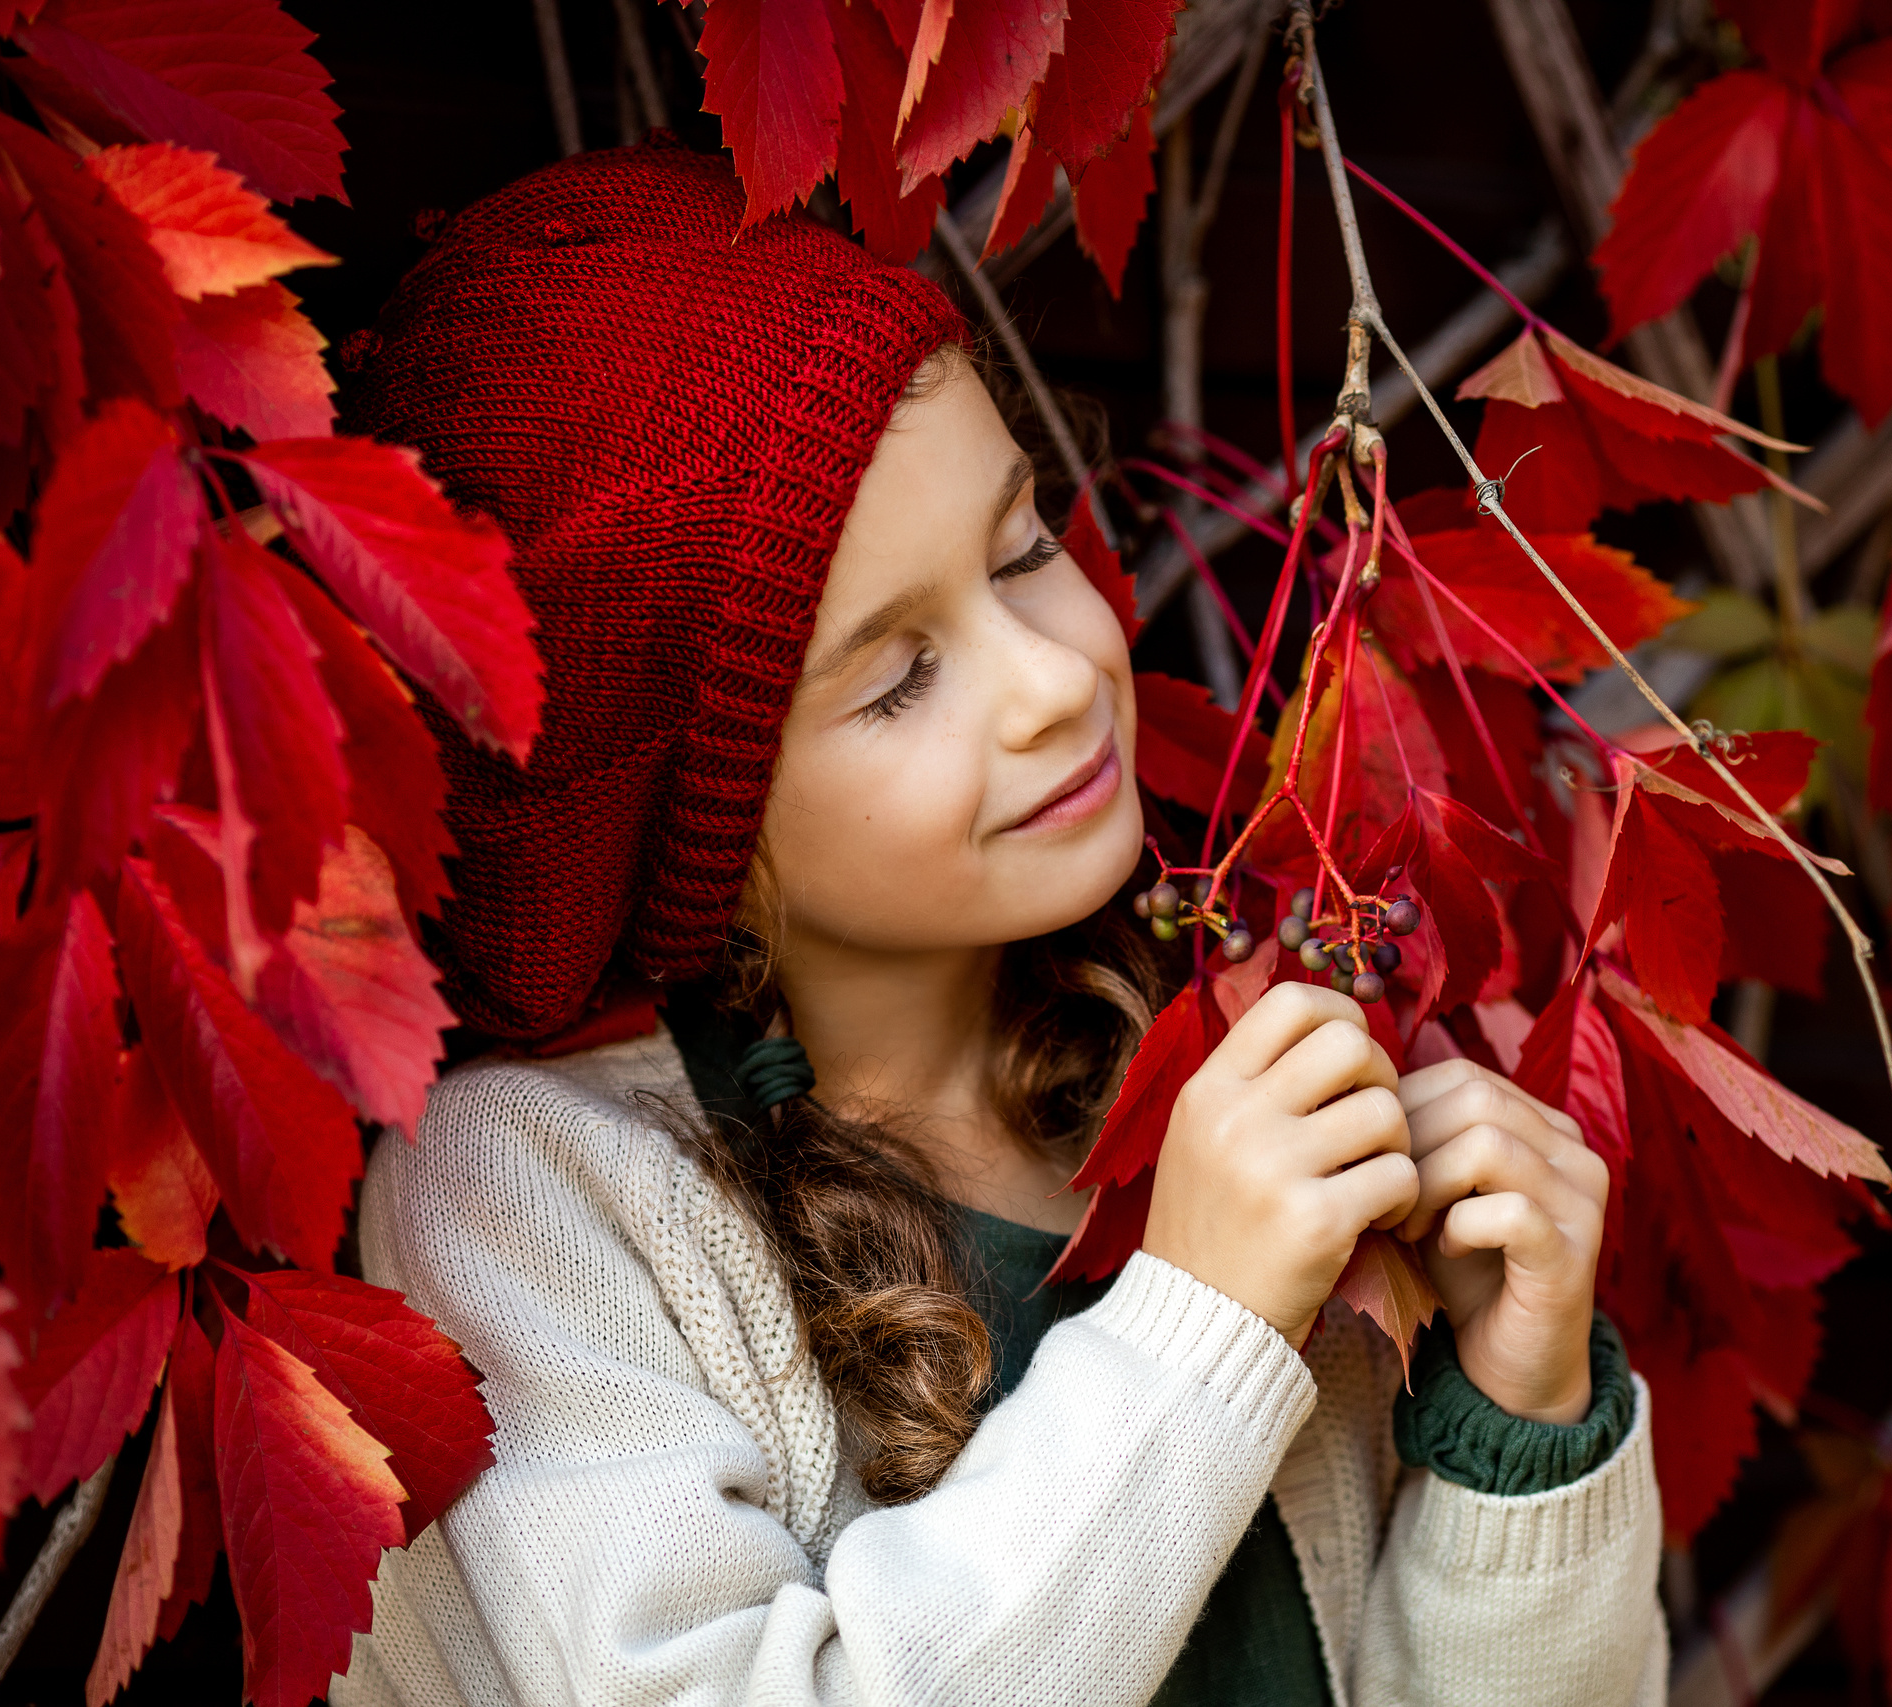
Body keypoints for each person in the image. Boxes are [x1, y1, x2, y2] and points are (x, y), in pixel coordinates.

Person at [332, 141, 1665, 1707]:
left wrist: (1520, 1438)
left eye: (1023, 548)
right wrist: (1200, 1325)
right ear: (695, 828)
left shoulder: (1198, 1066)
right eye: (898, 677)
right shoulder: (528, 1204)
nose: (1047, 681)